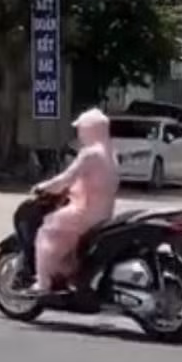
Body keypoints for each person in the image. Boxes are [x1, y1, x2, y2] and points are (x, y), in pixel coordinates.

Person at [27, 108, 119, 295]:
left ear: (90, 130)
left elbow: (65, 179)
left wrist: (43, 187)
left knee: (46, 229)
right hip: (104, 214)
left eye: (82, 129)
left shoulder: (90, 154)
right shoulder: (111, 153)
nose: (79, 133)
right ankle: (67, 272)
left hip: (85, 212)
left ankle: (43, 283)